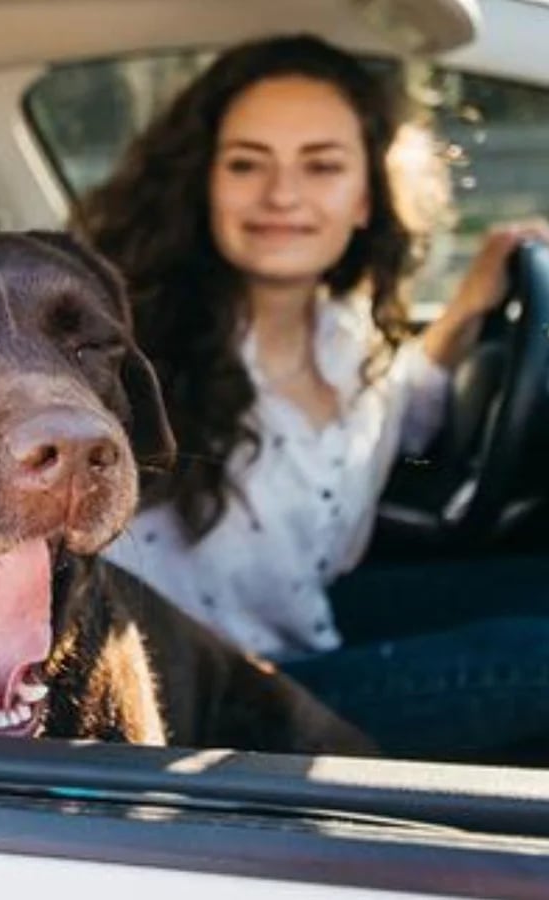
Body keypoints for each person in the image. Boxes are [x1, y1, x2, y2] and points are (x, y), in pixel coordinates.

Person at [72, 33, 549, 762]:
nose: (282, 196)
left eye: (321, 165)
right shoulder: (131, 358)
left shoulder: (343, 332)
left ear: (366, 198)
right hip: (210, 705)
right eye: (246, 164)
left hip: (305, 624)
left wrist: (468, 309)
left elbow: (404, 415)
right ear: (205, 185)